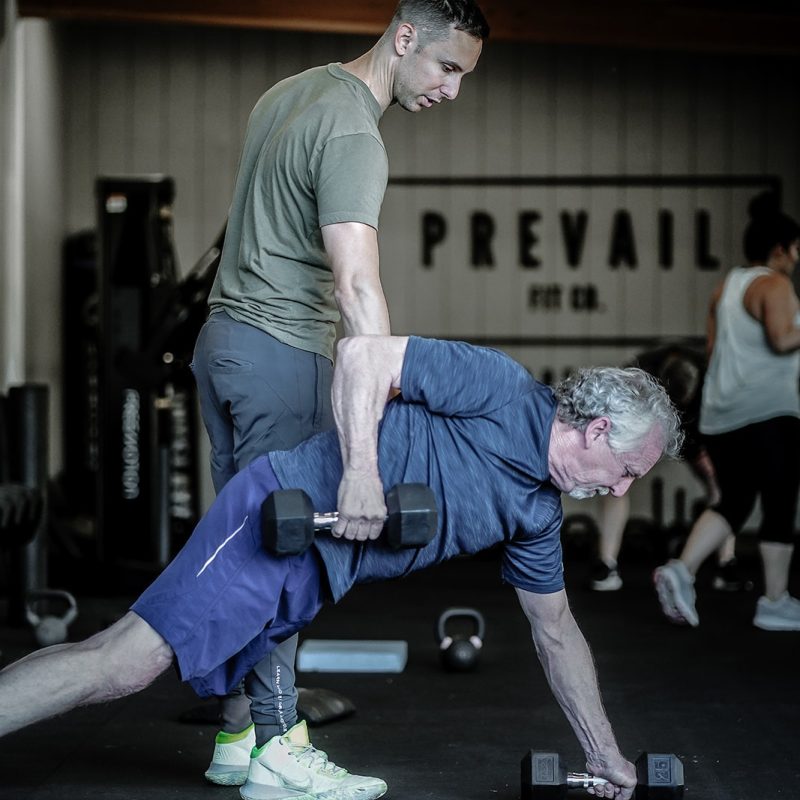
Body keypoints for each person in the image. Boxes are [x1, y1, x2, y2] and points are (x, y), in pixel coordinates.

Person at [0, 335, 682, 800]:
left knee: (234, 681)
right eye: (627, 471)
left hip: (318, 575)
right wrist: (360, 473)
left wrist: (602, 752)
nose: (621, 492)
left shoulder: (537, 512)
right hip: (279, 515)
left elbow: (556, 630)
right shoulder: (499, 389)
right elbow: (363, 353)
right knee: (122, 665)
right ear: (596, 432)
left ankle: (246, 752)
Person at [190, 0, 489, 793]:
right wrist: (368, 449)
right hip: (283, 353)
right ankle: (281, 748)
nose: (451, 90)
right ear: (403, 39)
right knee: (284, 552)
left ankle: (233, 739)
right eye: (446, 67)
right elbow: (359, 289)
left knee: (242, 542)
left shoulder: (287, 94)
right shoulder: (356, 134)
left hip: (223, 344)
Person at [653, 192, 800, 630]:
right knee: (778, 505)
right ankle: (775, 601)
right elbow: (781, 339)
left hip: (722, 415)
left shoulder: (727, 286)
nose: (796, 258)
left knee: (735, 499)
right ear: (780, 250)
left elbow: (715, 352)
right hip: (769, 412)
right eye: (795, 249)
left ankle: (682, 569)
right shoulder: (775, 284)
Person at [589, 343, 741, 592]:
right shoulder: (636, 375)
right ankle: (606, 564)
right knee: (615, 481)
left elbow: (722, 423)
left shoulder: (713, 380)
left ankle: (726, 565)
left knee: (721, 484)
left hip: (697, 430)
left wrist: (704, 453)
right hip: (645, 426)